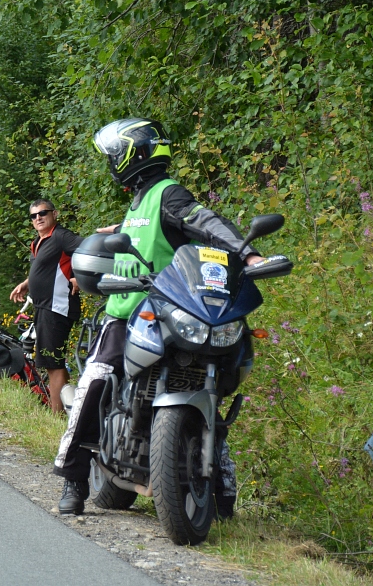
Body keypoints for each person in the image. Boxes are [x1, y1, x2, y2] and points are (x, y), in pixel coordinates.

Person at [54, 118, 264, 516]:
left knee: (209, 380)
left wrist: (246, 254)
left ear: (131, 156)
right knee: (97, 379)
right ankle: (74, 478)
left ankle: (218, 476)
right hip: (126, 311)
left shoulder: (169, 195)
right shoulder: (140, 200)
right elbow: (158, 236)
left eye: (114, 156)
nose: (112, 162)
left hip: (167, 310)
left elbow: (204, 221)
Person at [10, 199, 84, 413]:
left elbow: (89, 249)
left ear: (55, 213)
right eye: (33, 216)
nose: (38, 218)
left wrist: (79, 276)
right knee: (53, 361)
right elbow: (44, 269)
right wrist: (26, 284)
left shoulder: (61, 236)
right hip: (44, 307)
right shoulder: (39, 241)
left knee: (53, 363)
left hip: (58, 307)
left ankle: (57, 416)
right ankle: (68, 411)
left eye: (43, 213)